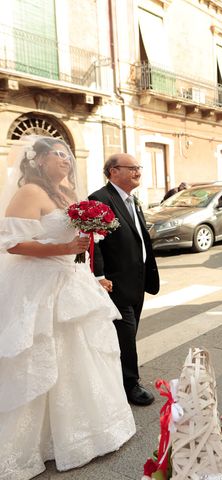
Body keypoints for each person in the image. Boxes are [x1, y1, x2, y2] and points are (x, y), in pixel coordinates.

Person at [0, 137, 135, 479]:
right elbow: (13, 244)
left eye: (66, 155)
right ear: (39, 160)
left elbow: (79, 247)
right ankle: (39, 440)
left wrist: (92, 277)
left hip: (72, 282)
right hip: (42, 288)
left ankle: (87, 430)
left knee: (81, 357)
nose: (65, 160)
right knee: (46, 357)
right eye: (56, 154)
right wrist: (63, 247)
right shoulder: (30, 192)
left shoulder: (68, 194)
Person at [90, 153, 160, 406]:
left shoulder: (134, 200)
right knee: (126, 336)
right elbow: (94, 243)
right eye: (131, 168)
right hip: (115, 283)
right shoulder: (100, 199)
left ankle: (117, 378)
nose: (138, 171)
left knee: (127, 336)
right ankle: (131, 385)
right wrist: (99, 276)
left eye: (138, 167)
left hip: (137, 281)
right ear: (113, 172)